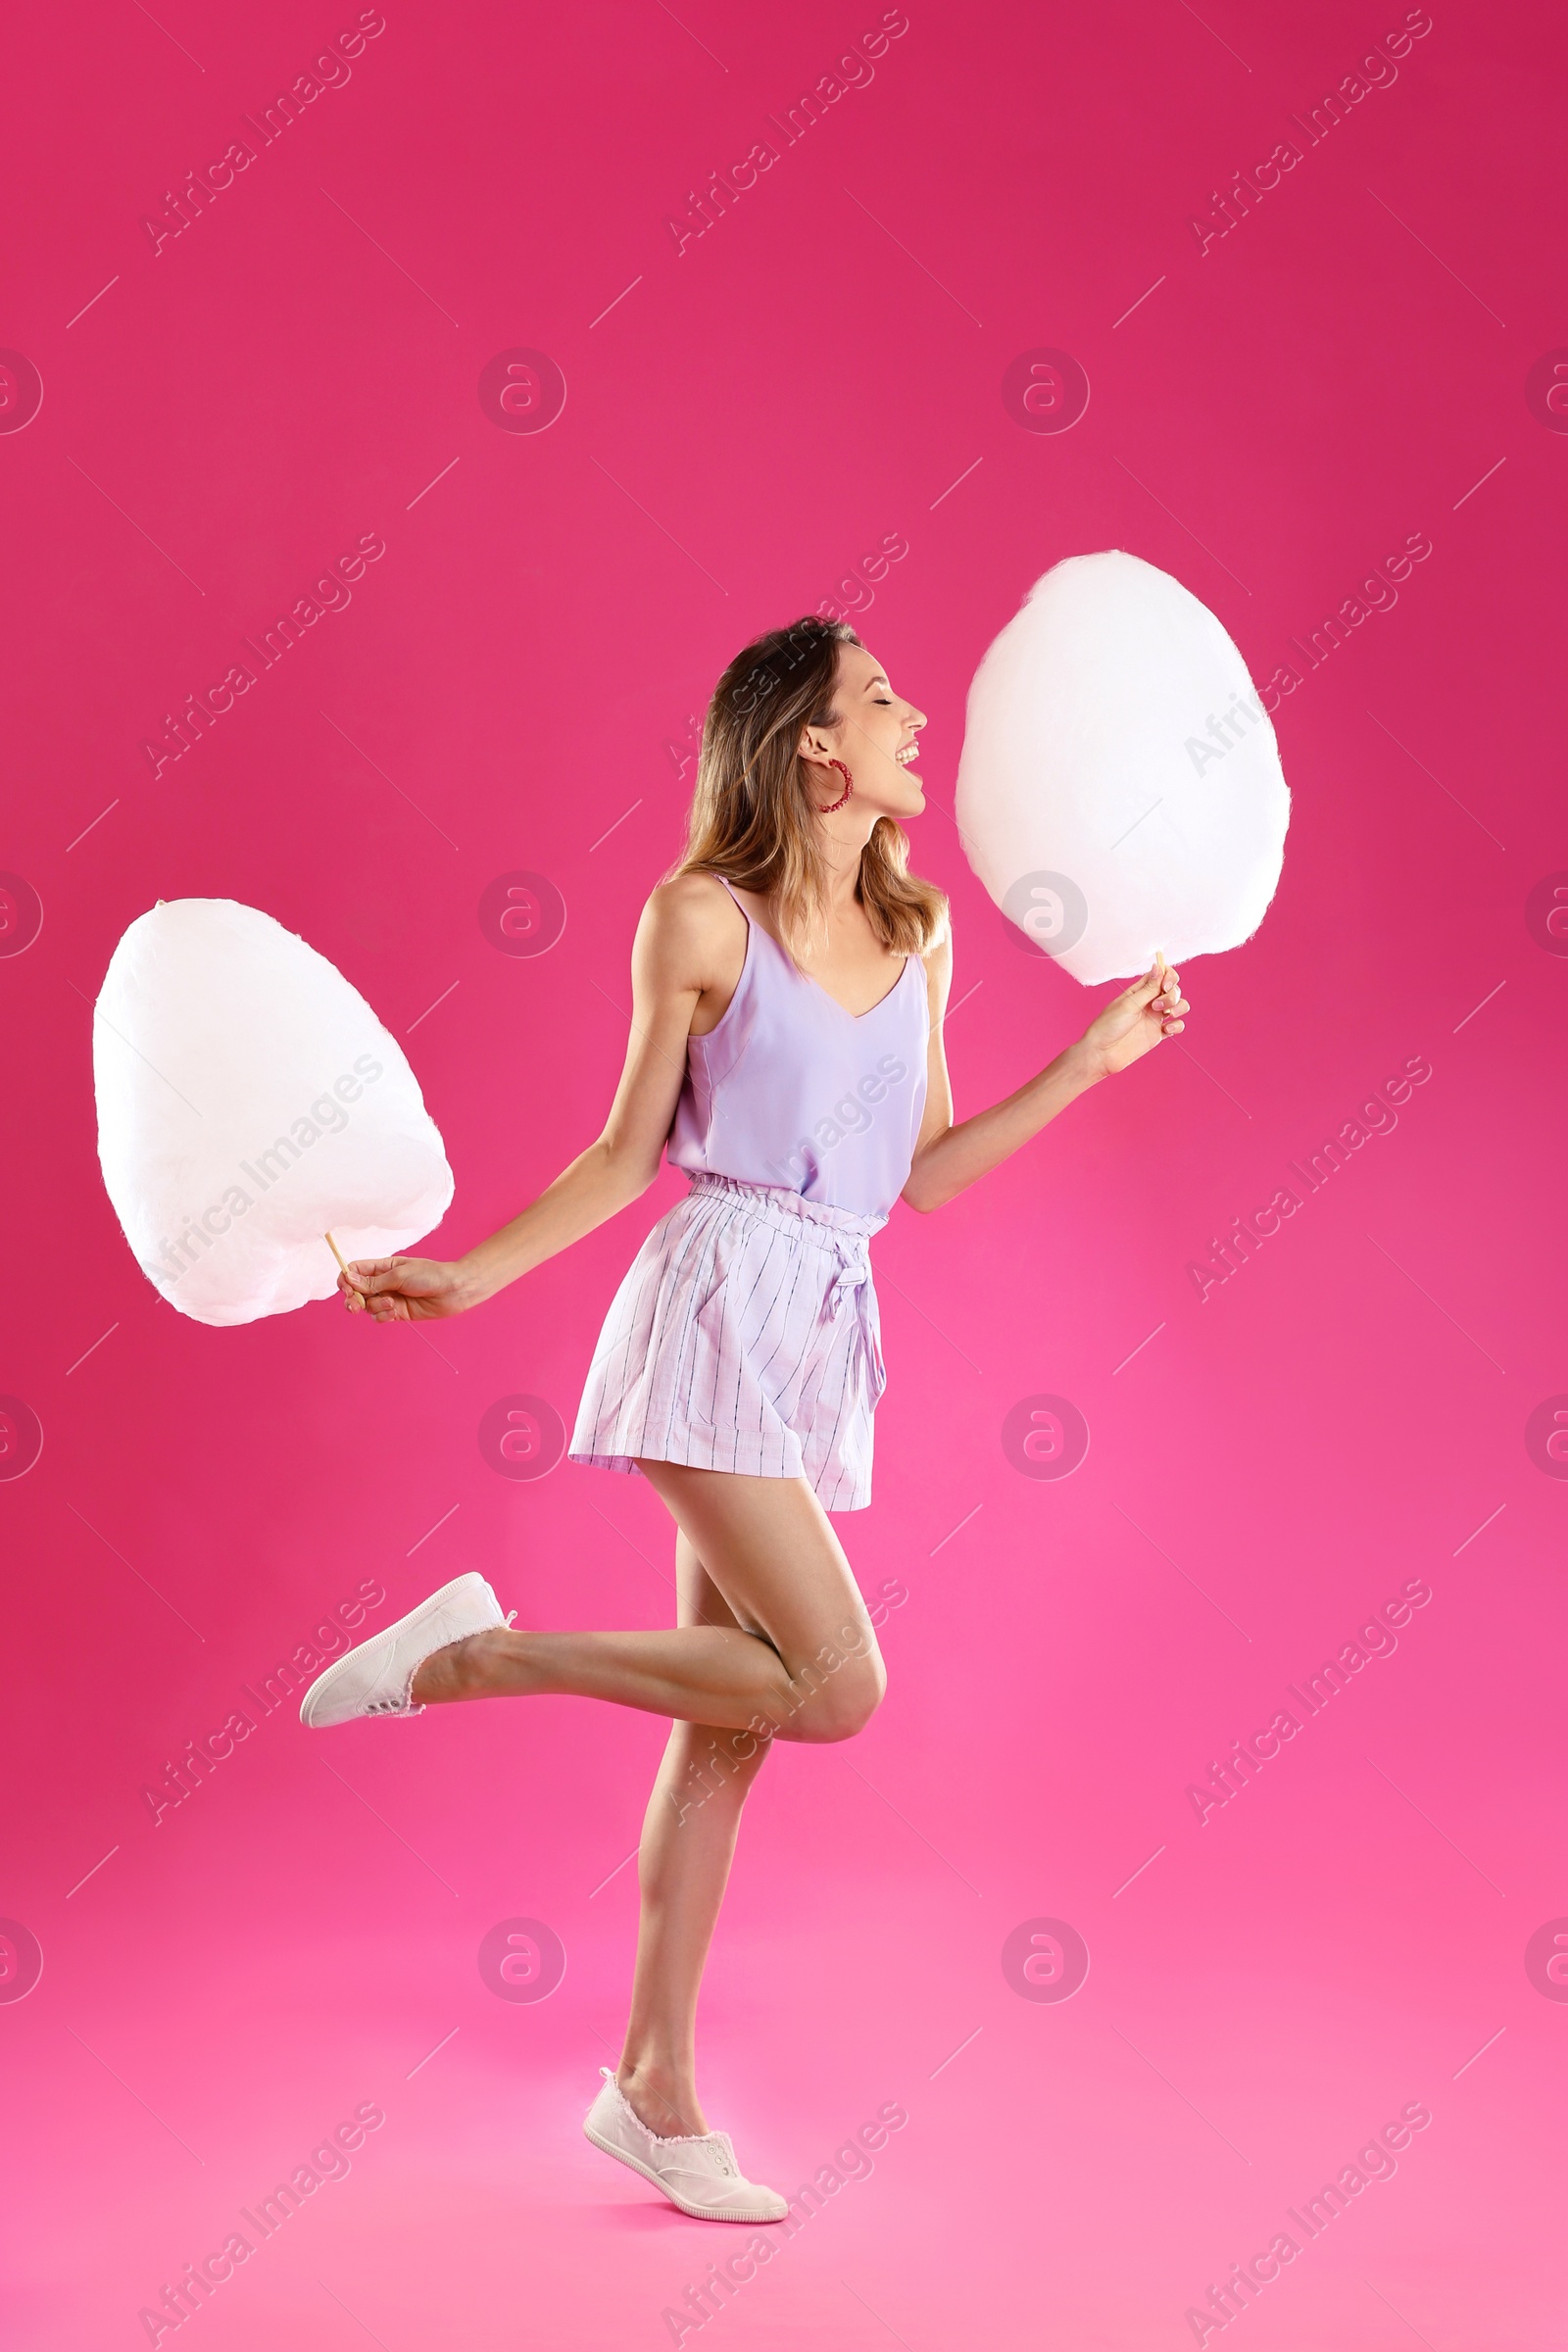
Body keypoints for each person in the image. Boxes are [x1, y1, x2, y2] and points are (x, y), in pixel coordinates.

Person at [298, 614, 1189, 2224]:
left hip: (824, 1323)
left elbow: (917, 1176)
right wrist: (479, 1277)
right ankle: (471, 1659)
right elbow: (624, 1154)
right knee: (836, 1687)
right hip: (712, 1304)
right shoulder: (699, 919)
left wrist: (1088, 1065)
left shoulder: (917, 933)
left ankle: (651, 2086)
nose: (918, 717)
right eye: (882, 699)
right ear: (812, 750)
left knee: (733, 1730)